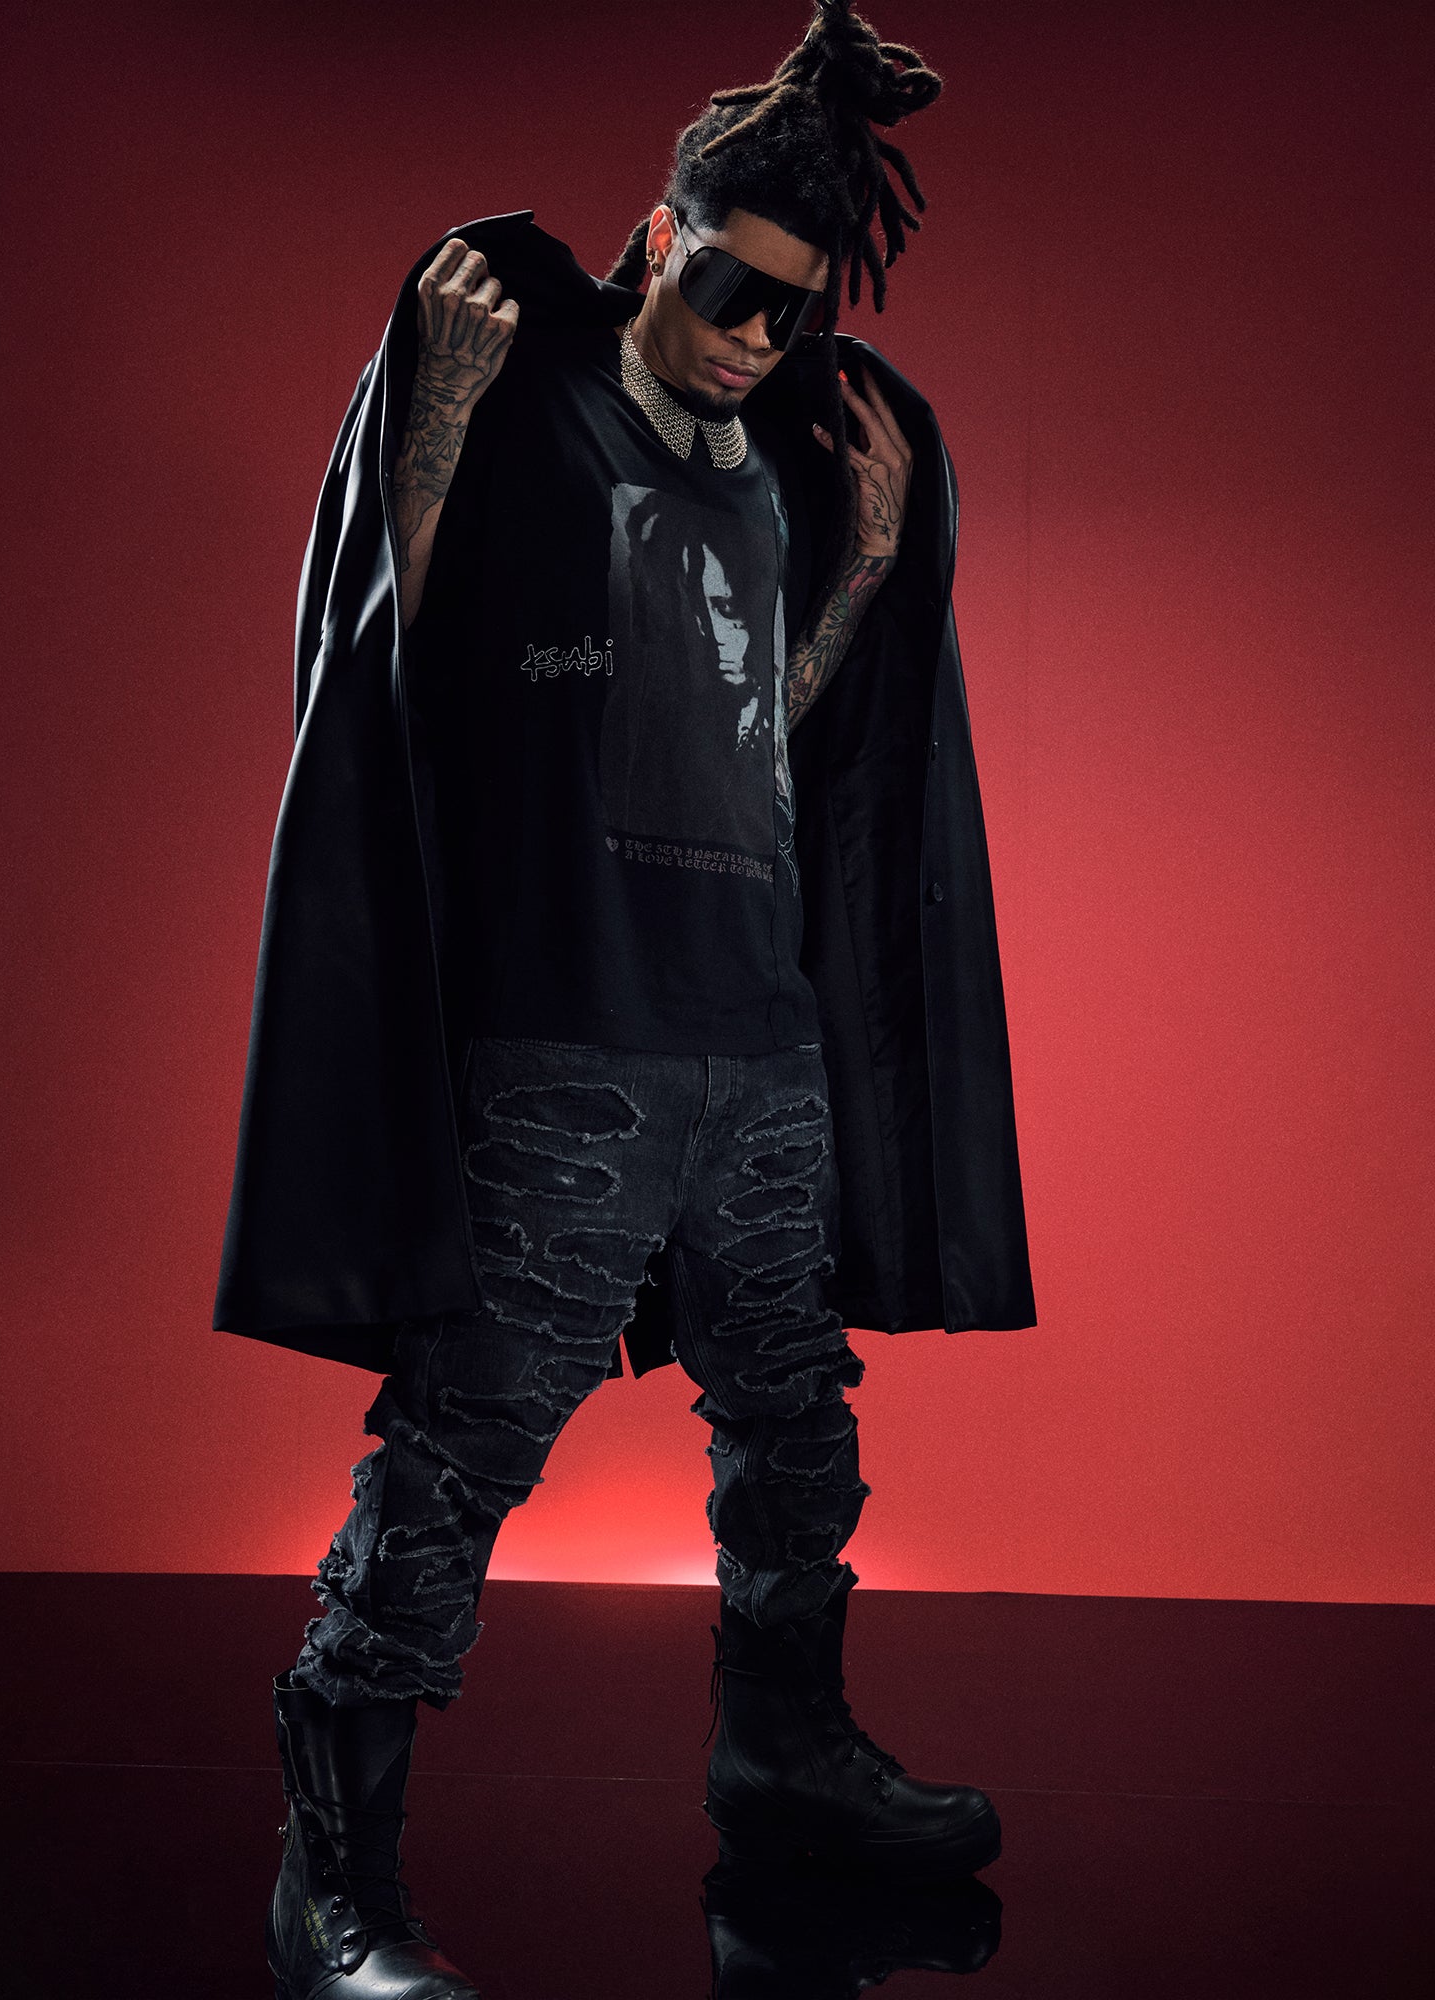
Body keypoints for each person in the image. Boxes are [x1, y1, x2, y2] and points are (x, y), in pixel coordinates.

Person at [226, 6, 1037, 1995]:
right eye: (730, 288)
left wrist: (858, 565)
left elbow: (764, 739)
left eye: (793, 309)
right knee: (462, 1445)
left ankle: (783, 1764)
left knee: (795, 1429)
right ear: (660, 232)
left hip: (751, 1036)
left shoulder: (771, 461)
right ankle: (332, 1884)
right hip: (565, 1034)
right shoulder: (532, 398)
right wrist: (433, 423)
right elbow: (396, 647)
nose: (756, 337)